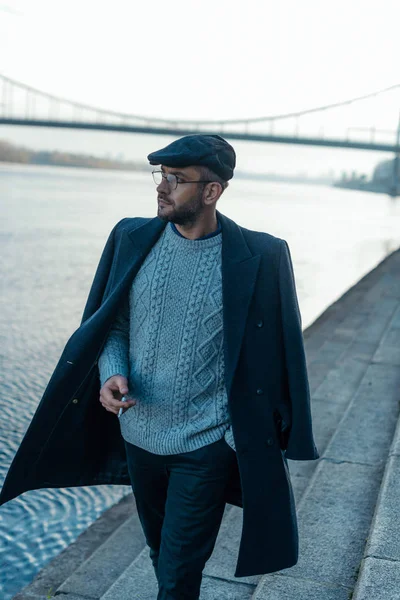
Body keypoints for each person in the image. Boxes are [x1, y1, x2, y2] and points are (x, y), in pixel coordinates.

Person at [0, 134, 319, 600]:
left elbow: (280, 353)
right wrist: (111, 372)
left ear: (212, 191)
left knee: (178, 571)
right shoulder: (131, 236)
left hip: (206, 445)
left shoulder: (262, 255)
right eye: (161, 176)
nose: (162, 188)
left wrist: (230, 436)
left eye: (177, 179)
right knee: (159, 552)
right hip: (139, 437)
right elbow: (113, 323)